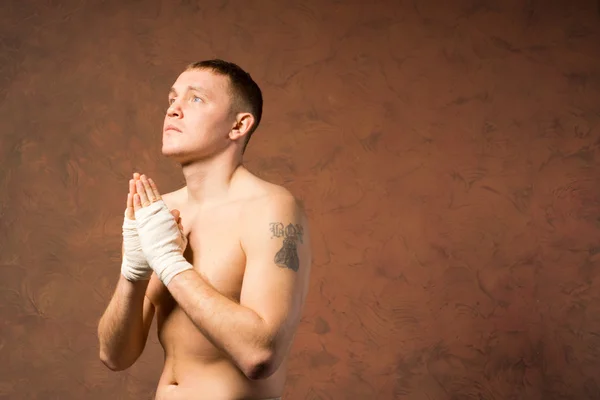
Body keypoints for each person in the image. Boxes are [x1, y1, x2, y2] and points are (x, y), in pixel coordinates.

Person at [97, 59, 312, 400]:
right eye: (172, 99)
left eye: (195, 99)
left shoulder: (271, 209)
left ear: (238, 125)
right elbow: (114, 355)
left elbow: (260, 355)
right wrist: (133, 272)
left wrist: (169, 262)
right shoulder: (160, 213)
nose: (174, 110)